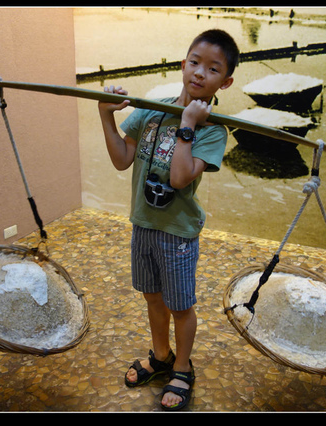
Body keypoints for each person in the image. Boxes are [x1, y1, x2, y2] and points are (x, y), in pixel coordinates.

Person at [97, 29, 239, 411]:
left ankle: (182, 368)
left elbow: (178, 178)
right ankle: (160, 356)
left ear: (225, 82)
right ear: (183, 64)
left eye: (213, 69)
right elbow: (121, 159)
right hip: (143, 223)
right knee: (152, 297)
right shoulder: (151, 110)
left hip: (177, 233)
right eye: (194, 62)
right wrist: (105, 114)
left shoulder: (213, 131)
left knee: (180, 306)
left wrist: (188, 125)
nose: (200, 73)